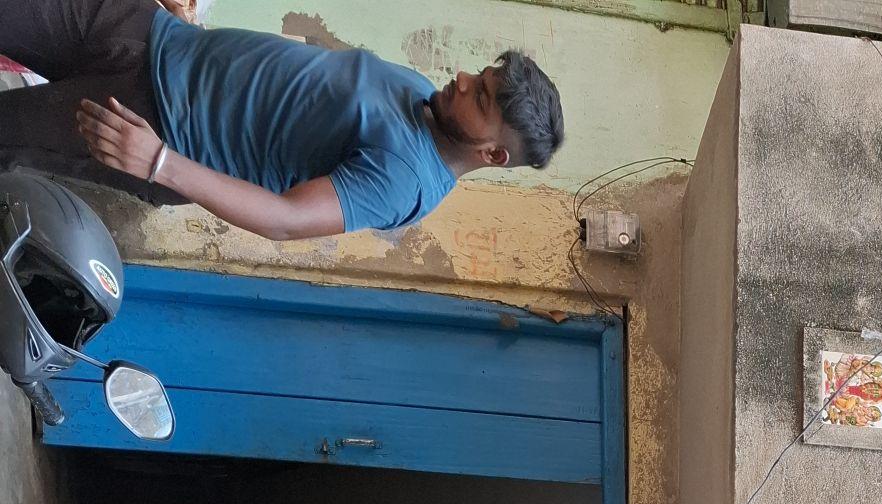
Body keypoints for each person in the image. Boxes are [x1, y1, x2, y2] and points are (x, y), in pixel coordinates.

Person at [0, 1, 563, 239]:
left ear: (493, 154)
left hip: (156, 125)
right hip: (156, 36)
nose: (463, 79)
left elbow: (285, 219)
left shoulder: (404, 181)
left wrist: (159, 162)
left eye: (480, 97)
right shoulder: (425, 98)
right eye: (481, 74)